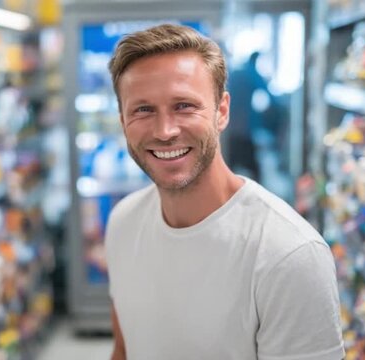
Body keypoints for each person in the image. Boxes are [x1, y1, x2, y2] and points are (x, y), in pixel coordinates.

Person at [105, 24, 343, 360]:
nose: (165, 130)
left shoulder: (290, 255)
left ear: (222, 111)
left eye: (184, 105)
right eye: (143, 110)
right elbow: (124, 349)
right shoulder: (123, 222)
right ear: (122, 120)